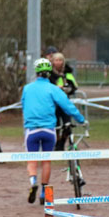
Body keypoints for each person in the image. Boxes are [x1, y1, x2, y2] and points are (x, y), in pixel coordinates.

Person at [21, 58, 85, 205]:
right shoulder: (54, 88)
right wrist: (81, 119)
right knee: (46, 161)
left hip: (31, 130)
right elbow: (68, 106)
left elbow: (24, 106)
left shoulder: (27, 88)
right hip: (49, 130)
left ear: (36, 73)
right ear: (49, 73)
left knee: (32, 159)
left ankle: (33, 182)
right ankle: (44, 191)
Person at [48, 52, 78, 151]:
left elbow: (74, 87)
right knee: (55, 125)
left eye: (60, 60)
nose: (58, 62)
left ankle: (61, 144)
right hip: (54, 104)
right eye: (56, 60)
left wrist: (67, 89)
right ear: (53, 62)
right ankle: (55, 143)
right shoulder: (49, 74)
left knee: (67, 125)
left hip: (65, 103)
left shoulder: (67, 74)